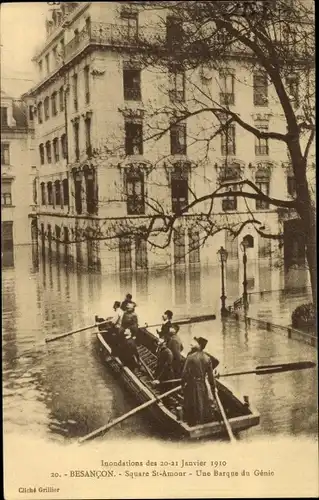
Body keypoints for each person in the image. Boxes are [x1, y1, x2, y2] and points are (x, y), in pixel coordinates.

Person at [181, 337, 219, 426]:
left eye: (196, 342)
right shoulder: (207, 358)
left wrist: (183, 384)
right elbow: (211, 378)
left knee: (191, 402)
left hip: (192, 384)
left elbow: (184, 374)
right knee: (202, 401)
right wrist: (213, 389)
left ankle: (192, 423)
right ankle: (203, 421)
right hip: (202, 384)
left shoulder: (190, 357)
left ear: (199, 345)